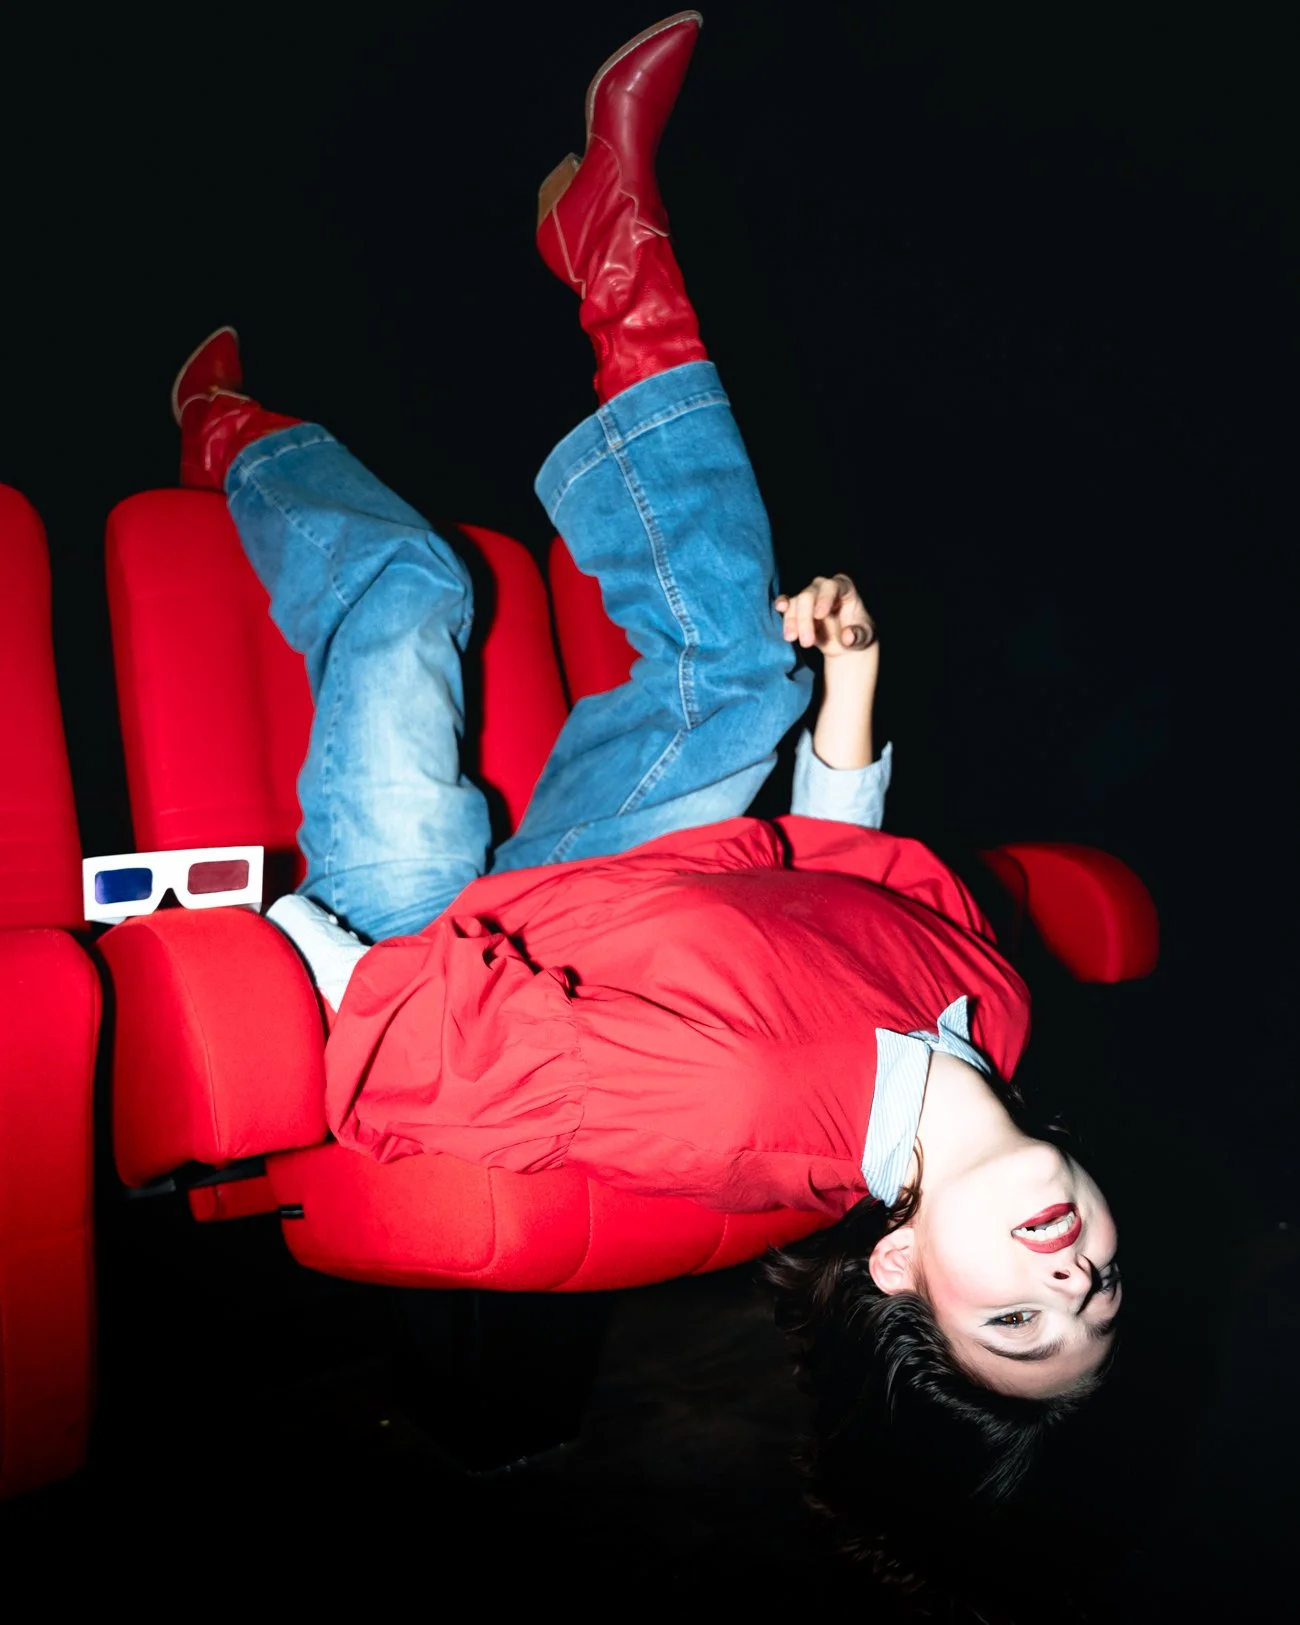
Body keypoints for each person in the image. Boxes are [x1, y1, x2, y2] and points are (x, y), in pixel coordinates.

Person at [168, 11, 1120, 1603]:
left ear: (896, 1271)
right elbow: (836, 865)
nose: (1068, 1275)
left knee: (406, 597)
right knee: (746, 670)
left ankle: (240, 450)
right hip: (620, 878)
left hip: (441, 940)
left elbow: (430, 1072)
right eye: (1099, 1301)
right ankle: (610, 238)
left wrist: (300, 933)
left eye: (1013, 1324)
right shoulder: (998, 1018)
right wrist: (856, 691)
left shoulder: (747, 1120)